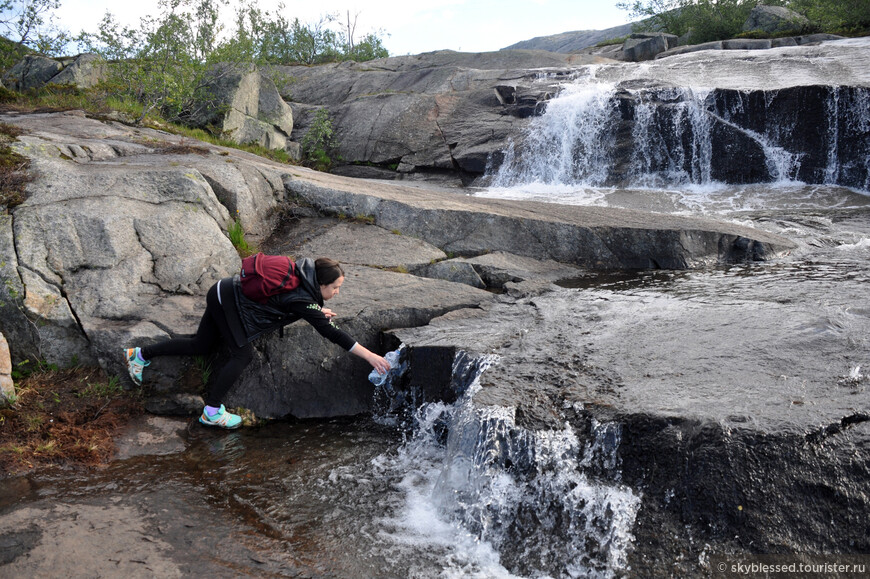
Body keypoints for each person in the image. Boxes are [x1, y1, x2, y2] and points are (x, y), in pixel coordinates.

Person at [124, 256, 391, 429]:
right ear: (320, 284)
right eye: (335, 287)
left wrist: (314, 310)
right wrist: (370, 356)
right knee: (242, 356)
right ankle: (212, 411)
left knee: (201, 346)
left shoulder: (302, 274)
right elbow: (332, 333)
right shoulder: (304, 299)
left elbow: (287, 301)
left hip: (222, 290)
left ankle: (139, 354)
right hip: (228, 304)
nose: (337, 292)